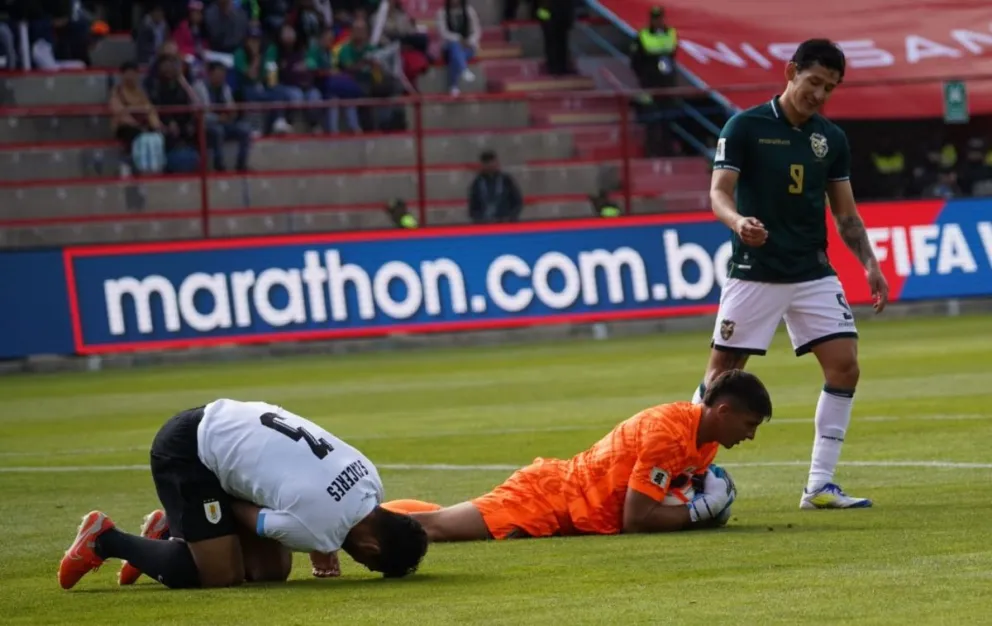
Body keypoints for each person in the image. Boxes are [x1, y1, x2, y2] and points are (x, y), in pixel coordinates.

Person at [691, 39, 889, 510]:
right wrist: (738, 222)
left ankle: (819, 485)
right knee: (721, 377)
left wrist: (870, 262)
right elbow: (719, 193)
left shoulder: (830, 139)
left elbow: (846, 215)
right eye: (814, 82)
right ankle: (685, 471)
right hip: (754, 272)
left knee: (846, 365)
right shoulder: (745, 127)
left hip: (812, 271)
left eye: (830, 88)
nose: (819, 94)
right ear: (790, 72)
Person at [58, 399, 429, 590]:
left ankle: (173, 531)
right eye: (367, 565)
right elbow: (248, 515)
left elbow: (323, 490)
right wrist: (208, 511)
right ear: (373, 550)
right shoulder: (316, 529)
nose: (358, 564)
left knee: (270, 573)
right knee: (221, 576)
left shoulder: (370, 480)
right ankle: (107, 539)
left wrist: (324, 537)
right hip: (190, 450)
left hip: (233, 421)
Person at [383, 370, 772, 542]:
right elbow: (637, 521)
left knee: (443, 518)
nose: (751, 435)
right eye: (750, 424)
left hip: (563, 503)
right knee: (434, 528)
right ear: (723, 412)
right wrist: (698, 513)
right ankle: (352, 523)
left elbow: (668, 490)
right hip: (548, 499)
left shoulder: (705, 440)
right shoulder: (667, 434)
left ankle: (372, 515)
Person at [468, 150, 524, 224]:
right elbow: (473, 206)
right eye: (487, 163)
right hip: (485, 224)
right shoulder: (477, 183)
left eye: (492, 162)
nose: (490, 165)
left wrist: (511, 217)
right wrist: (479, 219)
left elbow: (517, 201)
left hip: (505, 222)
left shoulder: (506, 180)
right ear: (482, 165)